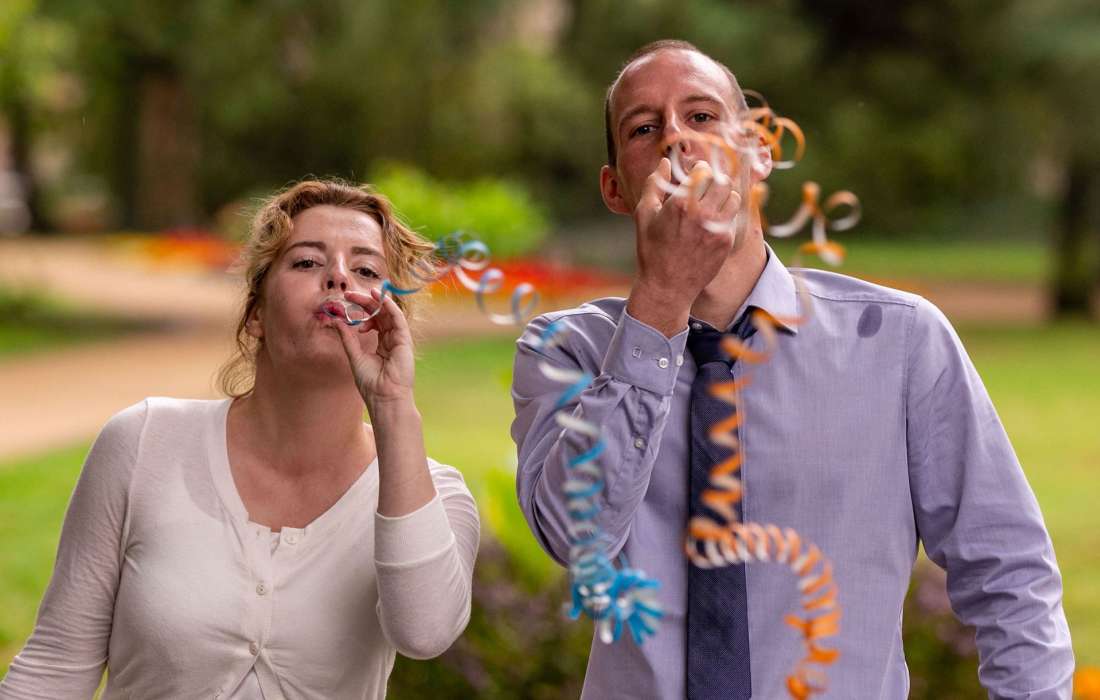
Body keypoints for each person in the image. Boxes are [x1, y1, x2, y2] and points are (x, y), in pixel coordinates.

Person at [511, 40, 1073, 699]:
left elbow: (1009, 574)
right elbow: (575, 539)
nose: (675, 140)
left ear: (758, 153)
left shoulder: (900, 340)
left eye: (701, 116)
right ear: (615, 188)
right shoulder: (565, 350)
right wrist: (661, 299)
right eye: (643, 128)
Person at [0, 180, 480, 699]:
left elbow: (425, 633)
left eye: (366, 270)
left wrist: (393, 407)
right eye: (306, 262)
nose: (339, 276)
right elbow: (56, 665)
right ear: (256, 316)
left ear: (390, 323)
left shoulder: (435, 496)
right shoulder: (143, 442)